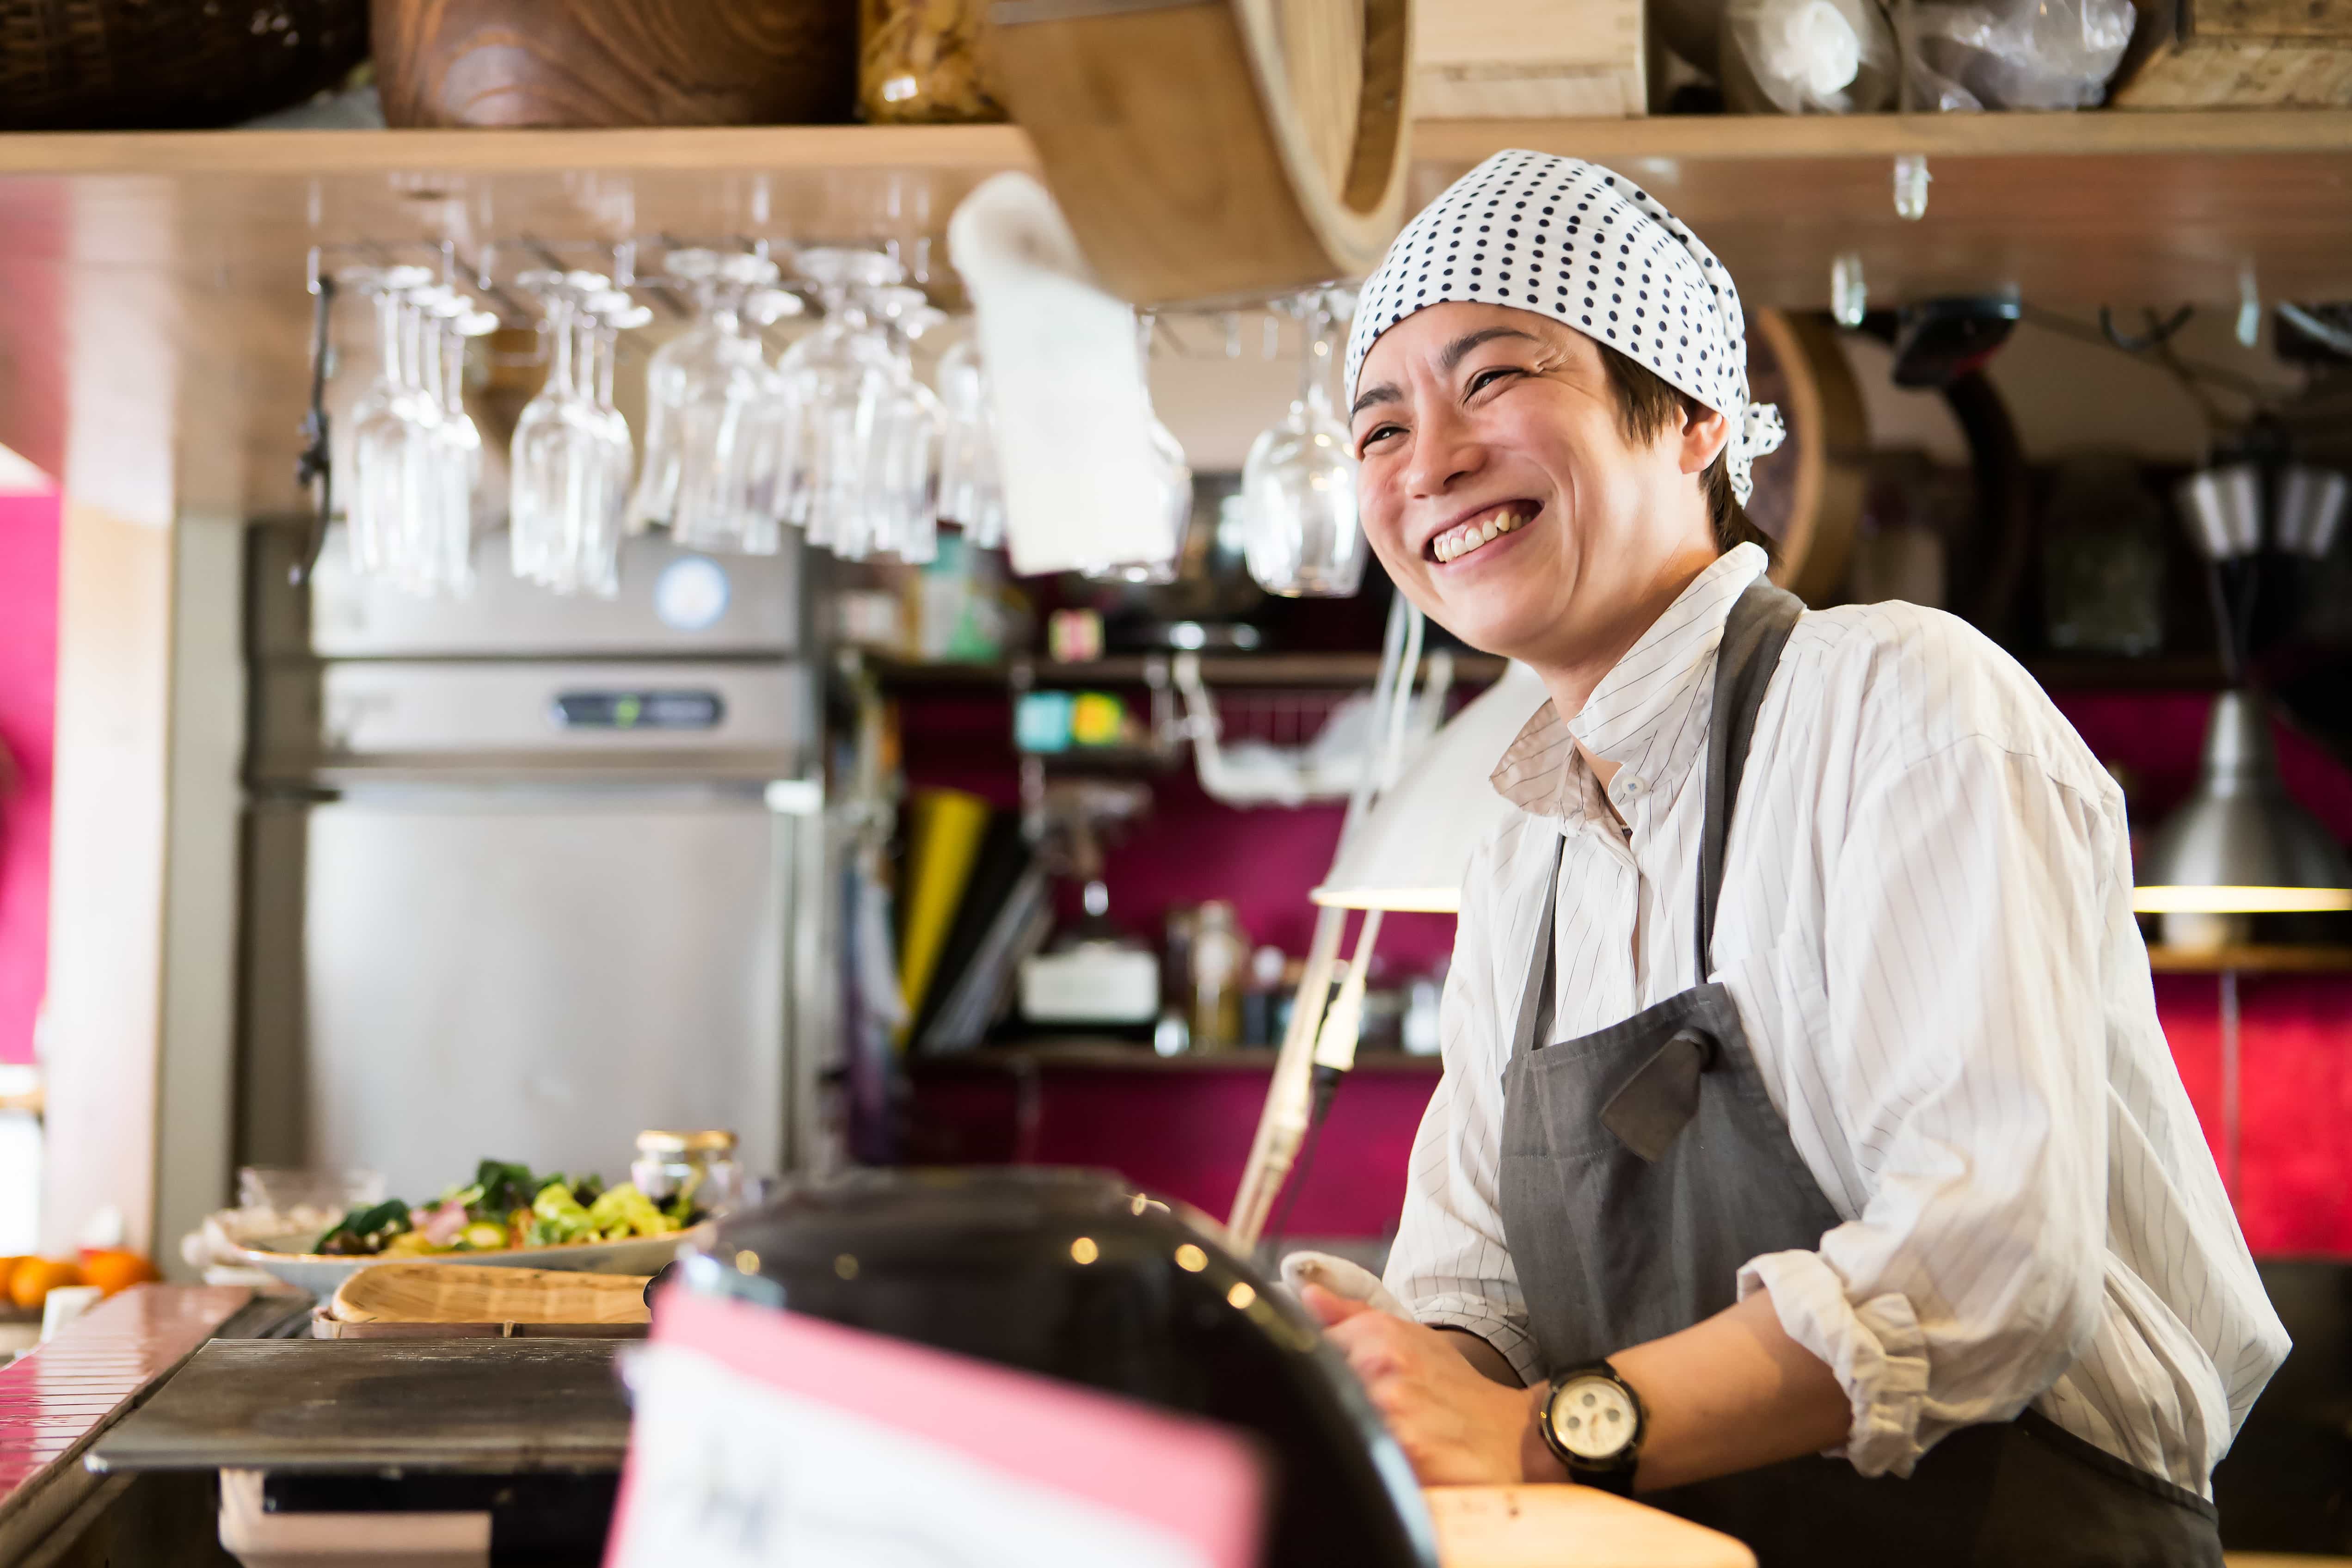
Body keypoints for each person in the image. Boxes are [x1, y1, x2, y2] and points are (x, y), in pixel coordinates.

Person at [1301, 150, 2287, 1566]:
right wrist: (1400, 1381)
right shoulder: (1525, 856)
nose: (1430, 458)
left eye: (1495, 377)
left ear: (1696, 413)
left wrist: (1538, 1433)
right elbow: (1476, 1282)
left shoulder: (1901, 702)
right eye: (1379, 426)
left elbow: (1985, 1260)